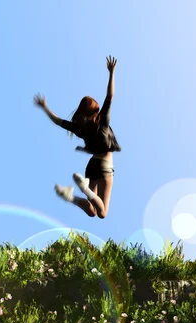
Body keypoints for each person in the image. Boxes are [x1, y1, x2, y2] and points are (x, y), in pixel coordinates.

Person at [33, 55, 121, 219]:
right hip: (105, 164)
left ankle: (69, 196)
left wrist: (45, 107)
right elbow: (110, 97)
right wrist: (111, 73)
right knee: (102, 213)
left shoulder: (79, 128)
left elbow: (58, 121)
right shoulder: (101, 121)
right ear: (95, 111)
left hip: (92, 166)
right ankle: (84, 188)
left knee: (92, 211)